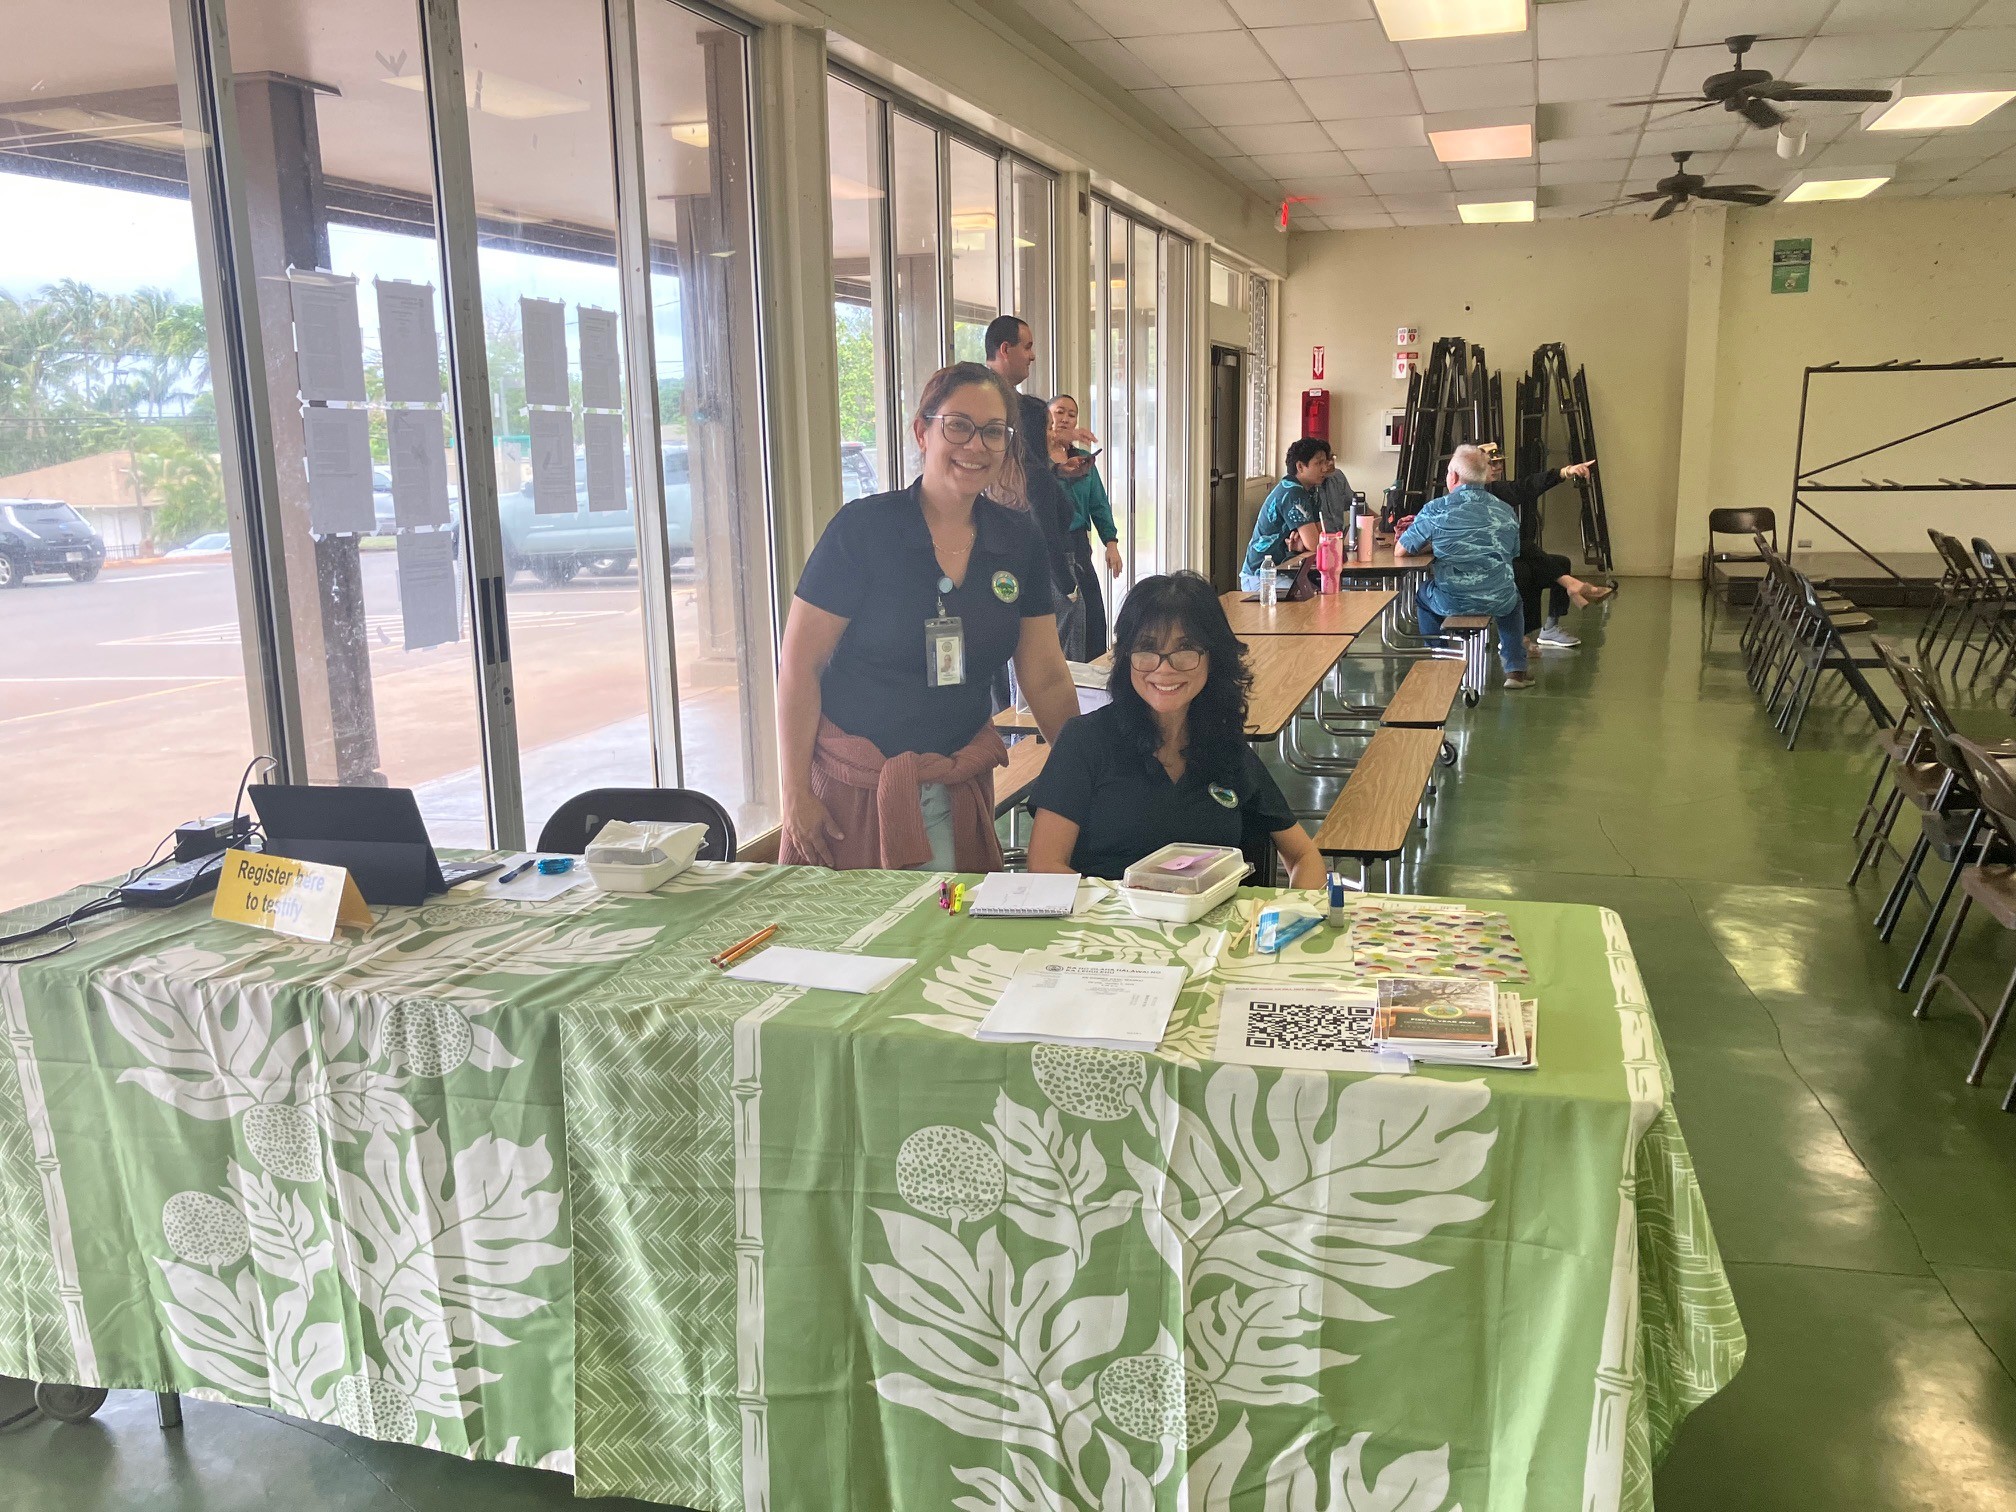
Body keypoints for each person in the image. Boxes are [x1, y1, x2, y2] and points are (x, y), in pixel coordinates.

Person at [777, 361, 1080, 872]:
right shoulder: (864, 531)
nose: (976, 445)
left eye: (993, 432)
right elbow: (799, 666)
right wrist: (794, 794)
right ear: (923, 431)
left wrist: (1083, 772)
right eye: (958, 425)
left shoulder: (1017, 541)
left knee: (956, 942)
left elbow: (1045, 674)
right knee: (858, 945)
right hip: (854, 793)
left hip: (960, 784)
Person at [1026, 571, 1323, 887]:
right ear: (1126, 657)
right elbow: (1045, 867)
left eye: (1185, 649)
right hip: (1111, 929)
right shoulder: (1084, 741)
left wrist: (1289, 921)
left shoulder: (1225, 747)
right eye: (1146, 648)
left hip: (1215, 933)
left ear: (1213, 657)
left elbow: (1305, 857)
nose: (1164, 667)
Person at [985, 315, 1083, 660]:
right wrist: (1065, 584)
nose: (1033, 355)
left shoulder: (1016, 410)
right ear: (1004, 349)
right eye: (1027, 347)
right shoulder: (992, 401)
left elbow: (1021, 470)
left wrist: (1054, 467)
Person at [1399, 444, 1532, 691]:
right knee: (1513, 602)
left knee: (1422, 596)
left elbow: (1402, 549)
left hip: (1452, 599)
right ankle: (1515, 671)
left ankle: (1440, 655)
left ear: (1454, 476)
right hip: (1498, 597)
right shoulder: (1505, 511)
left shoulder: (1436, 508)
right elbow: (1512, 553)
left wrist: (1435, 544)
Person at [1483, 445, 1612, 649]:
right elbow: (1522, 488)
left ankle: (1550, 628)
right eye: (1492, 463)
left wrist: (1564, 473)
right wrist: (1564, 472)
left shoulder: (1494, 489)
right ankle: (1518, 634)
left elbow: (1521, 488)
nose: (1498, 467)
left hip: (1505, 554)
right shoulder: (1480, 490)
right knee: (1525, 568)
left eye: (1499, 462)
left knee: (1559, 562)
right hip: (1485, 564)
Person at [1047, 394, 1120, 659]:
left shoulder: (1083, 458)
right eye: (1059, 412)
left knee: (1093, 619)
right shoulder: (1035, 460)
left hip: (1079, 544)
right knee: (1062, 624)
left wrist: (1111, 543)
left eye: (1072, 414)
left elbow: (1099, 503)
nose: (1065, 419)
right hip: (1050, 546)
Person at [1241, 437, 1332, 591]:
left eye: (1325, 462)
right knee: (1313, 600)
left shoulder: (1309, 491)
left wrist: (1302, 546)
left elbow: (1321, 537)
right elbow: (1316, 544)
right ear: (1300, 466)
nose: (1325, 468)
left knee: (1321, 594)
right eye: (1318, 463)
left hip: (1283, 570)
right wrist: (1305, 544)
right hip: (1261, 575)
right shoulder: (1292, 492)